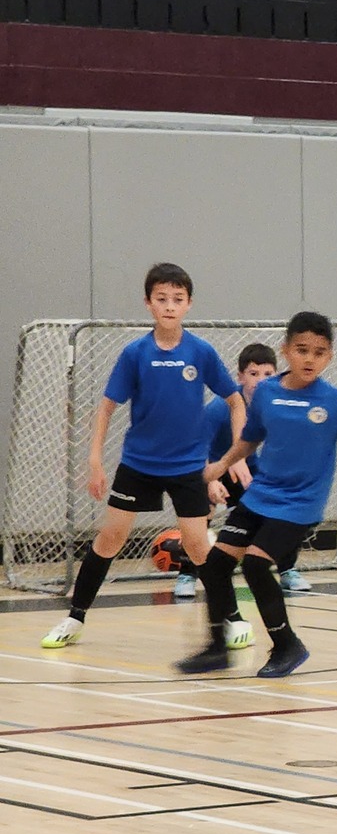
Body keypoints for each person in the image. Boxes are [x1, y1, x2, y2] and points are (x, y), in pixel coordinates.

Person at [177, 312, 337, 677]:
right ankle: (217, 647)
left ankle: (286, 645)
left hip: (300, 504)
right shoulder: (266, 392)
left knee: (257, 565)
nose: (310, 358)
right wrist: (220, 465)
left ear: (329, 357)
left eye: (320, 352)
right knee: (214, 566)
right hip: (261, 496)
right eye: (302, 350)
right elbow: (250, 438)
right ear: (286, 351)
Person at [43, 263, 241, 650]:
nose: (170, 306)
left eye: (177, 300)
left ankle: (232, 618)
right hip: (139, 465)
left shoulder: (201, 352)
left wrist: (233, 454)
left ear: (189, 304)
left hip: (187, 468)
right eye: (162, 299)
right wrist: (96, 461)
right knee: (110, 538)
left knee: (199, 547)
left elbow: (235, 401)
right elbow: (105, 408)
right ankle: (74, 617)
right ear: (148, 304)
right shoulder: (135, 353)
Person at [189, 342, 313, 600]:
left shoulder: (278, 403)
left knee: (282, 507)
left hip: (250, 467)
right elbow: (196, 446)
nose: (260, 380)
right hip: (212, 464)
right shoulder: (220, 408)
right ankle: (187, 573)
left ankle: (287, 569)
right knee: (201, 510)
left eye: (268, 374)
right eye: (254, 374)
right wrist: (212, 482)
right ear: (240, 377)